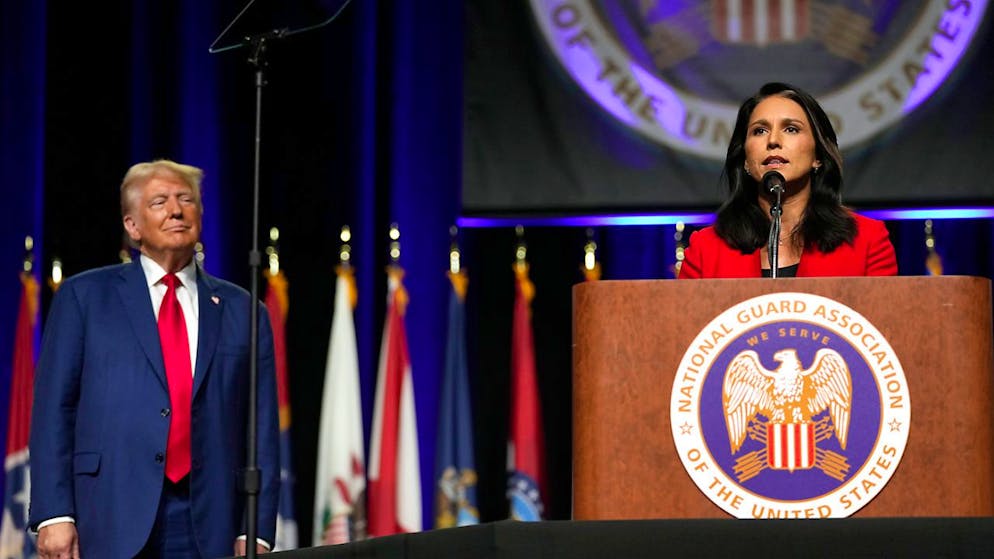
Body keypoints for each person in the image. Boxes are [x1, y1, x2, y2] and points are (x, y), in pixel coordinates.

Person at [29, 160, 280, 558]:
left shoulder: (243, 309)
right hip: (107, 512)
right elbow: (52, 411)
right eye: (160, 202)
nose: (177, 210)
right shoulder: (85, 298)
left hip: (210, 521)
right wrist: (54, 513)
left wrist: (258, 529)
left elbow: (262, 428)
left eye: (186, 200)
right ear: (132, 226)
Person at [678, 82, 897, 278]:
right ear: (745, 159)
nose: (773, 140)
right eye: (759, 131)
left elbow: (882, 322)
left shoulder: (867, 241)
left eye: (791, 129)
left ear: (818, 157)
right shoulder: (705, 249)